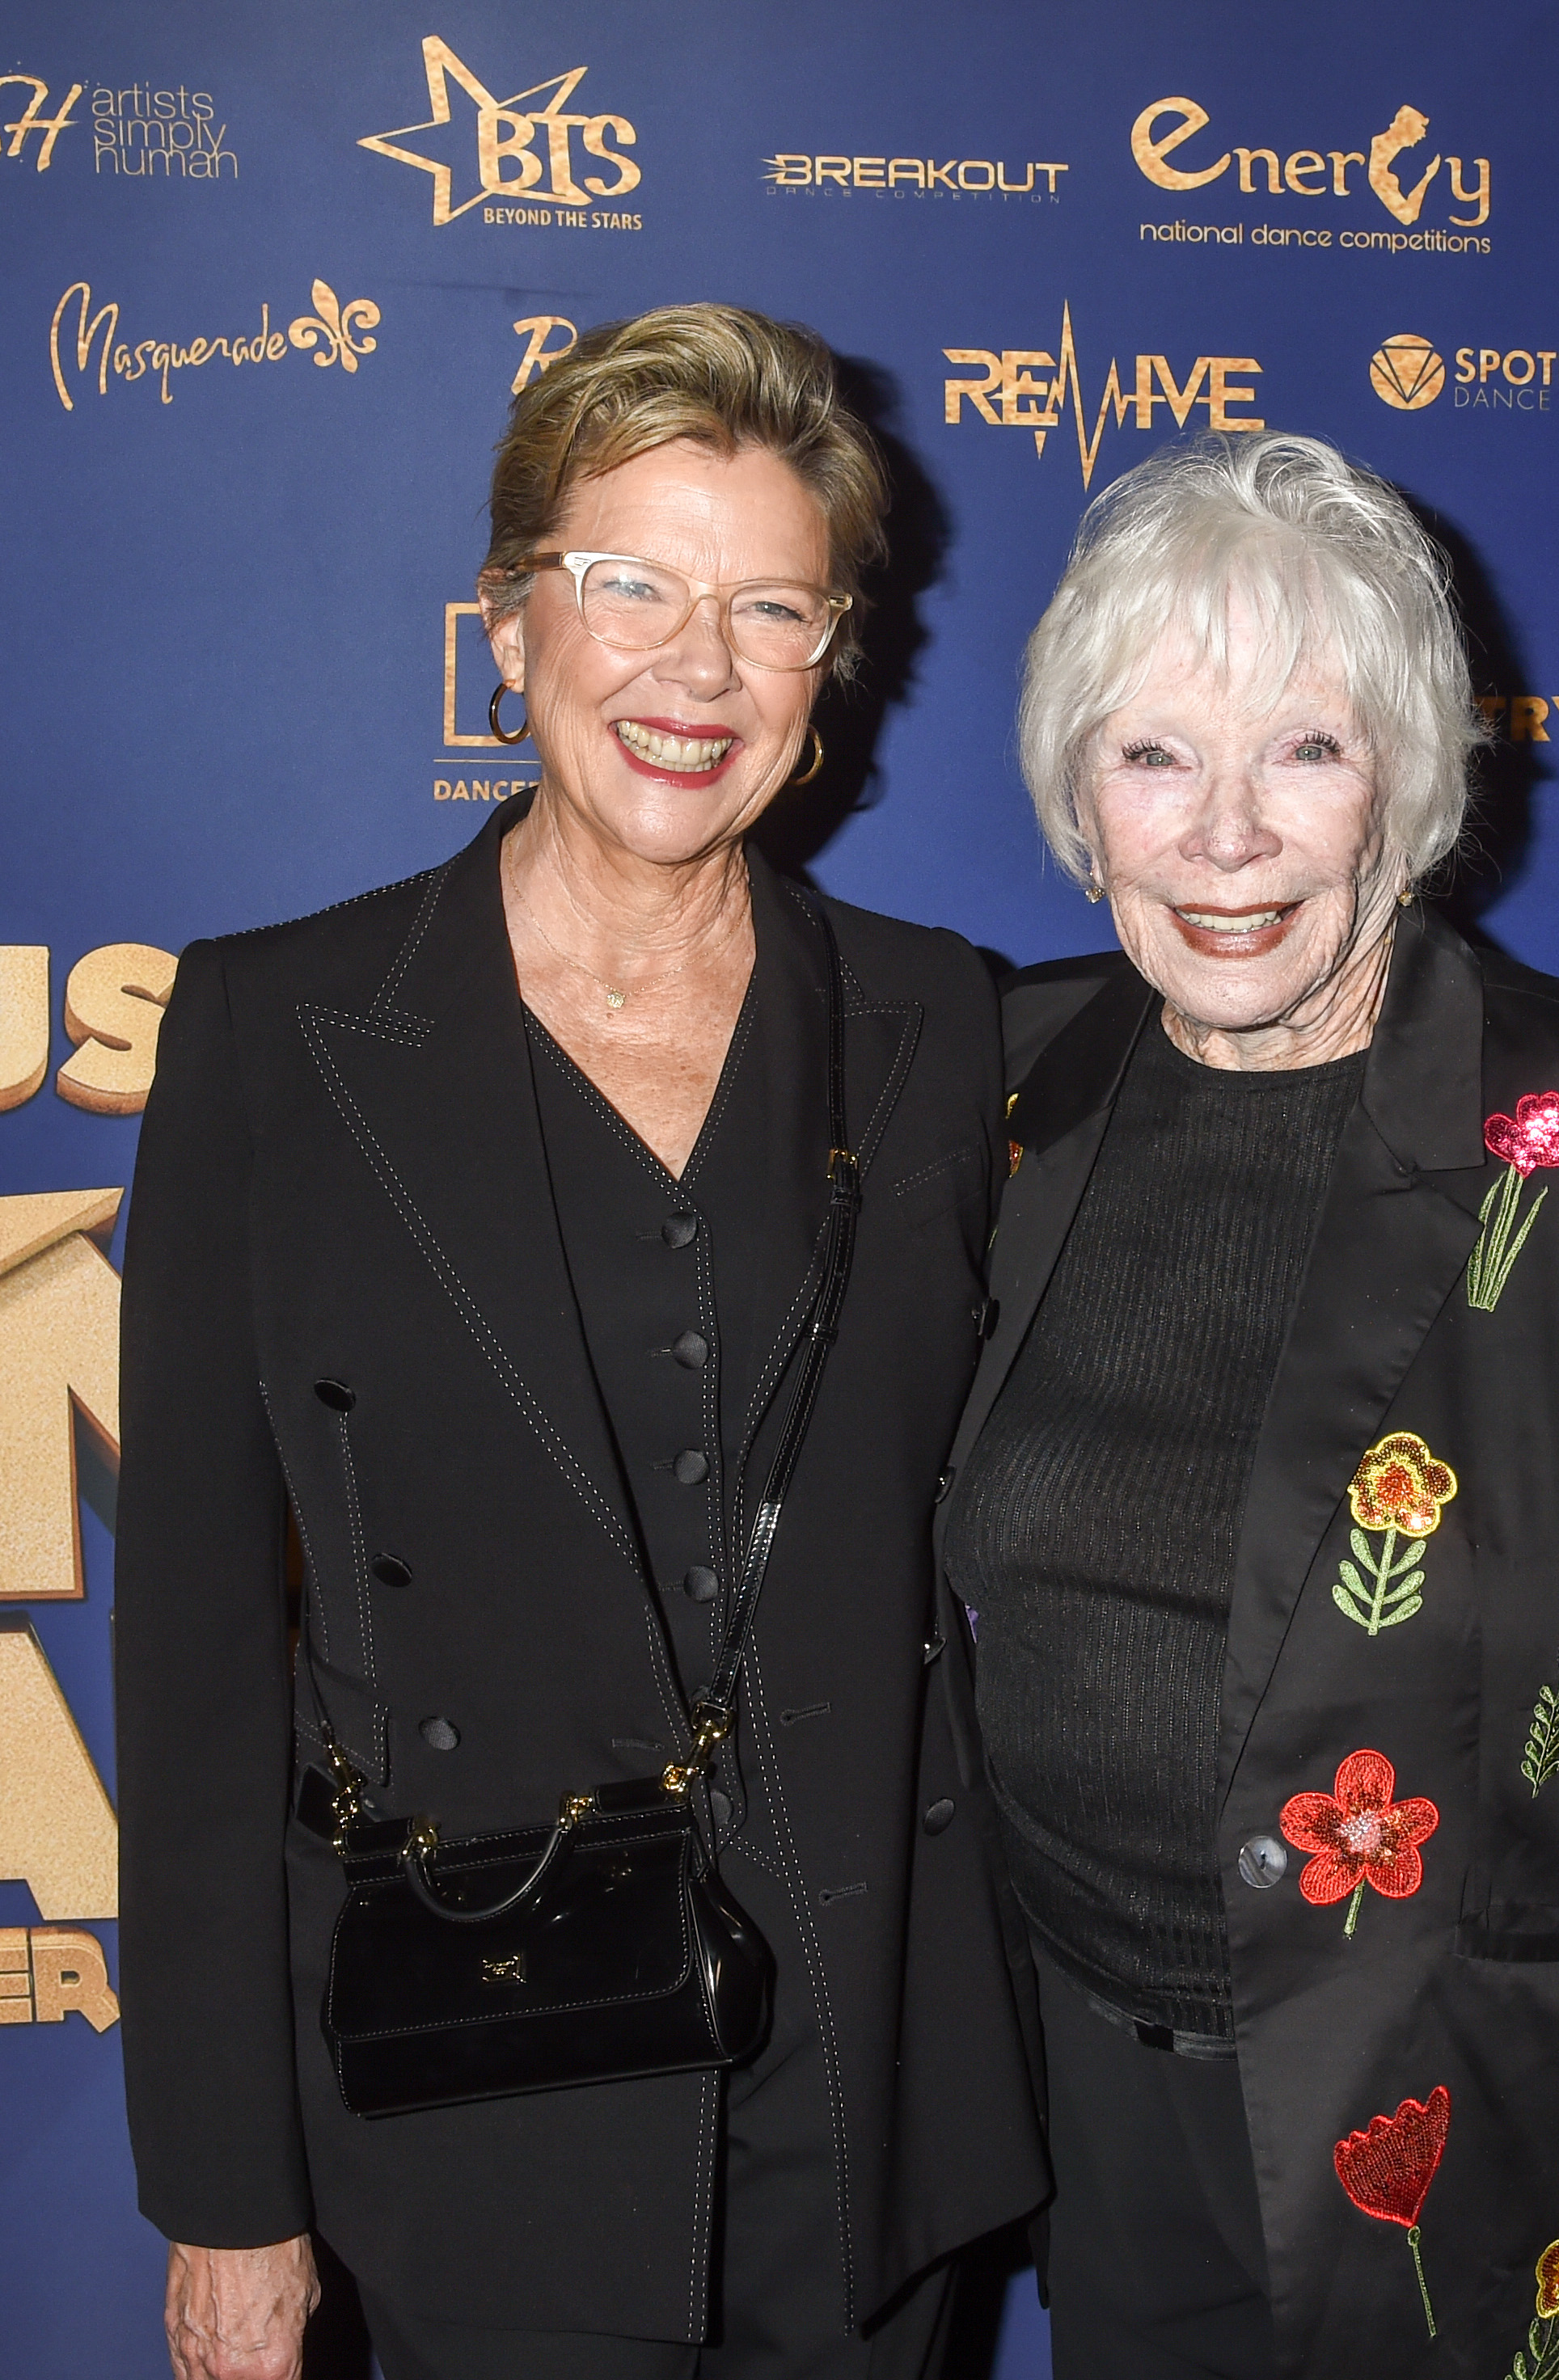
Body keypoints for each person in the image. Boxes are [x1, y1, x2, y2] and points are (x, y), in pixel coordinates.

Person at [115, 303, 1046, 2380]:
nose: (694, 668)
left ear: (835, 665)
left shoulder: (938, 1019)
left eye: (770, 608)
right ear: (510, 623)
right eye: (628, 583)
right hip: (472, 2092)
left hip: (869, 2111)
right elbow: (185, 1656)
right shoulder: (279, 1033)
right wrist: (224, 2189)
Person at [936, 431, 1559, 2380]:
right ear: (1076, 797)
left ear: (1409, 788)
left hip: (1486, 2147)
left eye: (1306, 747)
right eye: (1154, 754)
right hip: (1097, 2104)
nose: (1225, 835)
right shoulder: (1005, 1089)